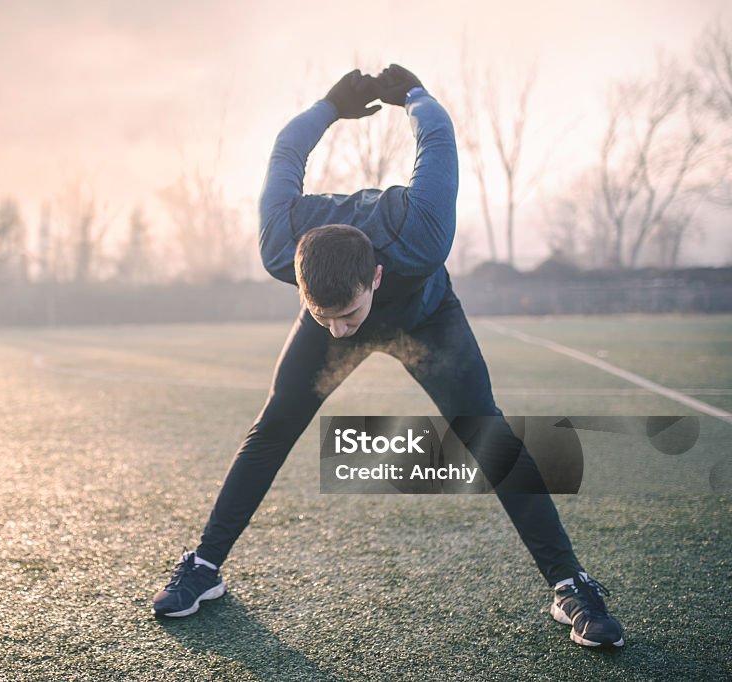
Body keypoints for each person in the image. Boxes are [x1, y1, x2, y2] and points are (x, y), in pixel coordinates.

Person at [152, 65, 624, 648]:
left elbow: (438, 139)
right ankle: (203, 567)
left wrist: (415, 97)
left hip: (425, 320)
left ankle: (571, 585)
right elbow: (285, 153)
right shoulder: (282, 247)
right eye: (323, 314)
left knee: (487, 433)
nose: (342, 331)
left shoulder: (420, 229)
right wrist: (328, 106)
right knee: (272, 427)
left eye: (348, 316)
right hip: (342, 296)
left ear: (375, 276)